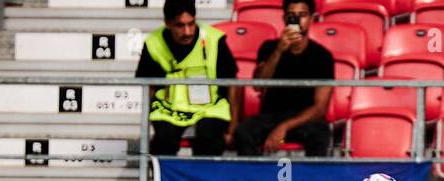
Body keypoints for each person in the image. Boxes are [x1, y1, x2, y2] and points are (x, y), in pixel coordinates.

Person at [136, 0, 239, 156]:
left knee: (209, 139)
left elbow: (232, 83)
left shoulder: (214, 39)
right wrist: (148, 125)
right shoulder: (153, 43)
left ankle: (203, 180)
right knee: (163, 142)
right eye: (180, 25)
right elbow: (148, 88)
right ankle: (167, 179)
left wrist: (233, 128)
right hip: (168, 110)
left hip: (209, 109)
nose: (187, 32)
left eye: (191, 24)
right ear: (167, 23)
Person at [235, 0, 334, 157]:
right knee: (243, 131)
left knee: (320, 134)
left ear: (311, 19)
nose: (297, 20)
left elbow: (320, 107)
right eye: (291, 16)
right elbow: (258, 84)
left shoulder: (323, 56)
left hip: (304, 119)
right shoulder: (269, 47)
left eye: (302, 15)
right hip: (270, 116)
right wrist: (279, 51)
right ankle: (252, 179)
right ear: (284, 19)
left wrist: (284, 126)